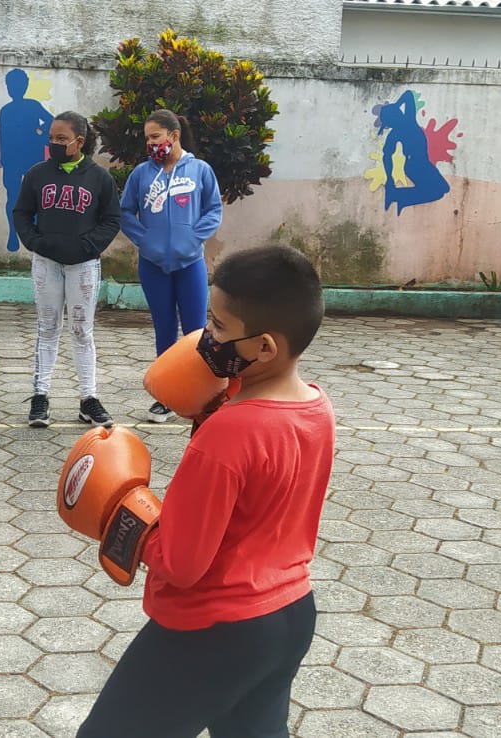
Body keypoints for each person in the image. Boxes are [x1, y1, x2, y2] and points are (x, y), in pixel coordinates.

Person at [63, 245, 335, 737]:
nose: (204, 337)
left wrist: (124, 511)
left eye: (219, 328)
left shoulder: (228, 435)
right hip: (289, 614)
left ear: (265, 348)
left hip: (214, 628)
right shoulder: (316, 406)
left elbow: (184, 564)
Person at [12, 111, 119, 428]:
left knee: (81, 331)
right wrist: (35, 242)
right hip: (46, 264)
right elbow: (21, 213)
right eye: (51, 139)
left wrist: (88, 246)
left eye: (62, 139)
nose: (55, 144)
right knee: (47, 328)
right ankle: (40, 396)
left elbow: (111, 220)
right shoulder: (37, 174)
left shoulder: (99, 178)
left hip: (84, 266)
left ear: (79, 142)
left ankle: (89, 399)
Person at [120, 109, 223, 423]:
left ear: (173, 135)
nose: (151, 144)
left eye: (155, 137)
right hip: (153, 265)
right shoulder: (141, 174)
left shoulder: (200, 170)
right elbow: (125, 213)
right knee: (164, 329)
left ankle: (202, 397)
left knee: (195, 332)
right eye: (147, 138)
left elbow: (213, 210)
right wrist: (146, 240)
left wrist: (193, 238)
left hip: (190, 264)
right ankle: (166, 398)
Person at [0, 68, 53, 253]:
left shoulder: (33, 106)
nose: (13, 88)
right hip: (12, 160)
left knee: (35, 197)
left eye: (17, 84)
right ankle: (13, 234)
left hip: (32, 159)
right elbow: (3, 137)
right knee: (12, 198)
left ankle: (35, 233)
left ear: (25, 85)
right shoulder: (5, 110)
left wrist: (40, 135)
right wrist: (4, 159)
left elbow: (52, 123)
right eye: (10, 85)